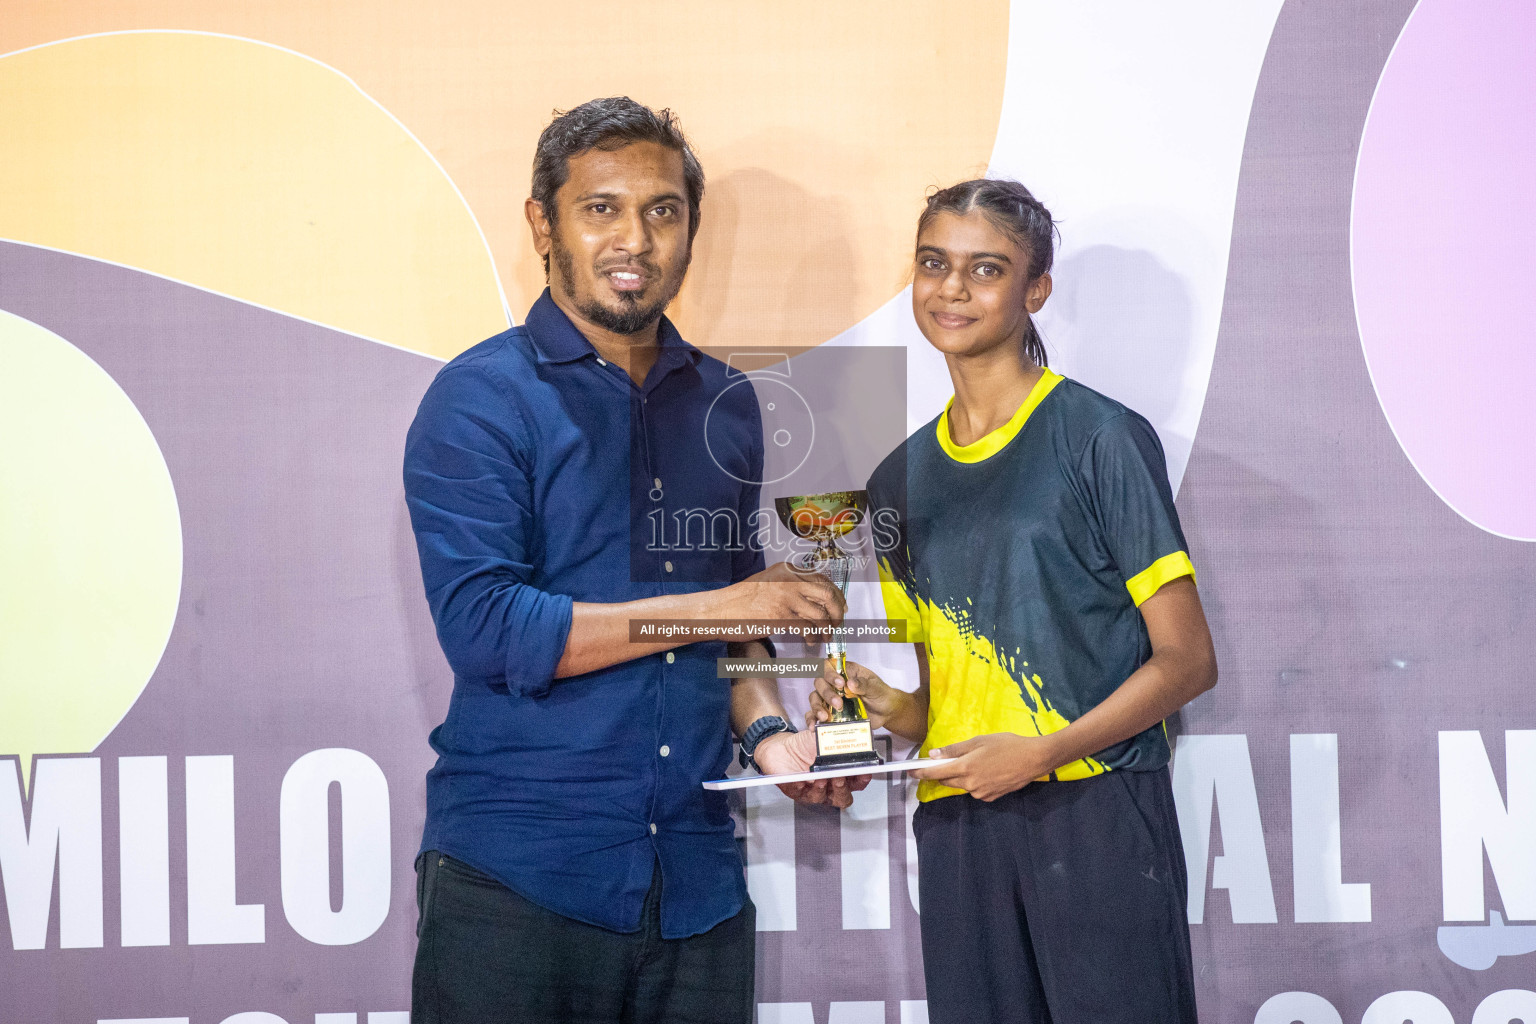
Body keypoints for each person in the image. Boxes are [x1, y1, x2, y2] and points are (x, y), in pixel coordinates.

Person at [403, 96, 851, 1024]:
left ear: (691, 226)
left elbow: (734, 636)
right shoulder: (479, 400)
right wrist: (729, 608)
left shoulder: (724, 402)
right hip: (520, 882)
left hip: (695, 886)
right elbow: (490, 633)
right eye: (600, 208)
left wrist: (775, 742)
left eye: (661, 211)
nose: (635, 241)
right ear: (544, 223)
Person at [807, 178, 1217, 1023]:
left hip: (1095, 807)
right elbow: (944, 707)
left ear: (1036, 291)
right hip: (960, 824)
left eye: (985, 269)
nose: (951, 288)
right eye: (934, 264)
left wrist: (1043, 751)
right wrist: (883, 706)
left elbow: (1186, 661)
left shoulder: (1099, 436)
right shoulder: (897, 480)